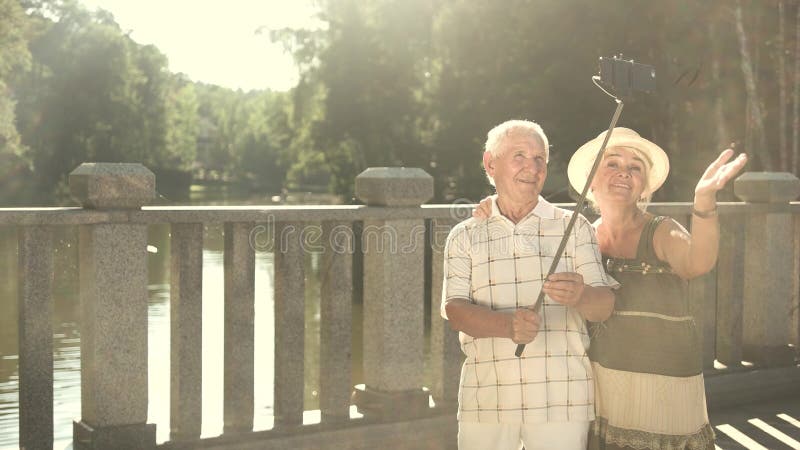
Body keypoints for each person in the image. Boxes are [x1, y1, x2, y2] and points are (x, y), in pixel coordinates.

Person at [474, 127, 748, 450]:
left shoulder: (660, 231)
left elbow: (697, 262)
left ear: (643, 186)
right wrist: (495, 209)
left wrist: (704, 203)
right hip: (604, 384)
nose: (624, 173)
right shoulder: (580, 236)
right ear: (591, 180)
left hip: (665, 386)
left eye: (635, 168)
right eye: (613, 163)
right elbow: (526, 253)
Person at [441, 119, 619, 450]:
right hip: (487, 399)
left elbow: (604, 307)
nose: (531, 167)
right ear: (490, 164)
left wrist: (581, 295)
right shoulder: (464, 235)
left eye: (539, 159)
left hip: (562, 399)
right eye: (519, 155)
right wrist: (506, 324)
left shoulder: (575, 227)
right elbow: (455, 312)